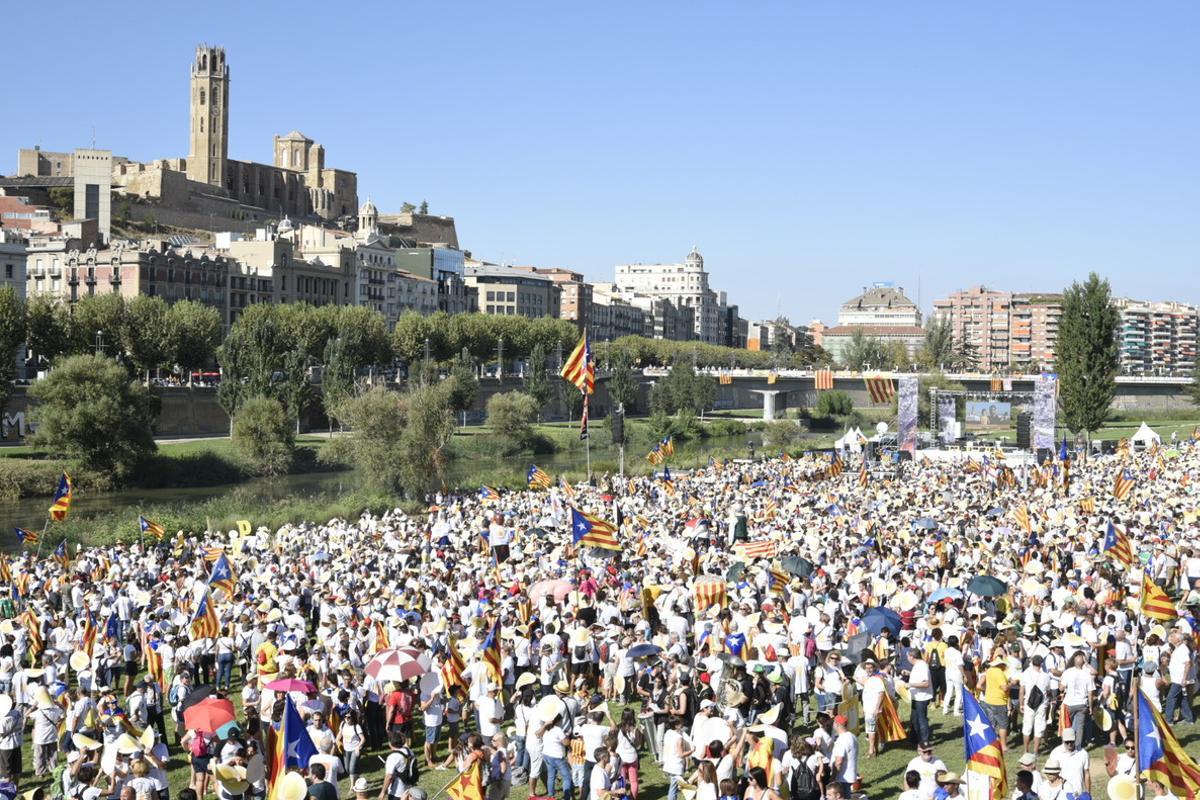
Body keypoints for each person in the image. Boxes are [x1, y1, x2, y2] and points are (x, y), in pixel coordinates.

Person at [1047, 728, 1090, 796]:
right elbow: (1050, 775)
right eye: (1067, 741)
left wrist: (1088, 793)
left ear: (1075, 738)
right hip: (1061, 795)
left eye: (1072, 741)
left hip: (1078, 794)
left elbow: (1086, 774)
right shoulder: (1055, 753)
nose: (1070, 744)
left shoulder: (1083, 753)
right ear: (1062, 739)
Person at [908, 649, 933, 747]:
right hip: (916, 696)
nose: (907, 658)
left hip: (921, 697)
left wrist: (910, 685)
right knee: (914, 719)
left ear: (912, 657)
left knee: (921, 719)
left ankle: (925, 741)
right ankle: (914, 739)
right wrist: (908, 673)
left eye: (908, 656)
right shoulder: (918, 665)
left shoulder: (922, 666)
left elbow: (926, 683)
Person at [829, 716, 857, 797]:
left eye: (834, 722)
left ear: (837, 725)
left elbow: (839, 762)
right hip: (849, 775)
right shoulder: (852, 736)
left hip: (842, 777)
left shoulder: (842, 740)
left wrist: (833, 777)